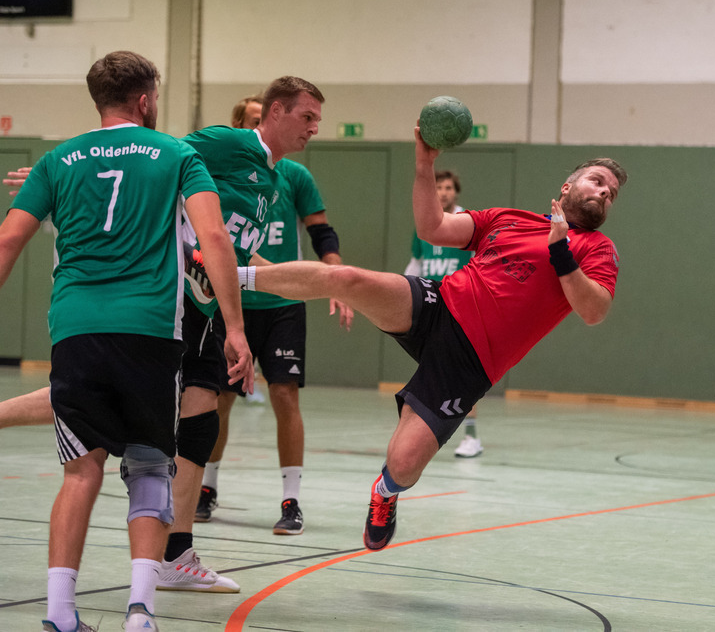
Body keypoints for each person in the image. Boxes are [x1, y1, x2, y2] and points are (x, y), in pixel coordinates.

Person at [233, 124, 626, 551]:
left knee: (402, 466)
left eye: (612, 192)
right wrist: (425, 163)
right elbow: (432, 228)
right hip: (438, 306)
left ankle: (384, 493)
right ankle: (231, 275)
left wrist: (560, 250)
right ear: (568, 186)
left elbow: (594, 310)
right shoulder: (507, 219)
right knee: (345, 277)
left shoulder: (596, 248)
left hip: (470, 362)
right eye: (598, 181)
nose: (605, 192)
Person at [0, 51, 252, 632]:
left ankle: (61, 614)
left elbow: (10, 240)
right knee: (148, 466)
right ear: (145, 100)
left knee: (79, 473)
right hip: (149, 330)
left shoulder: (58, 159)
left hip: (76, 327)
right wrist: (235, 327)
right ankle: (140, 611)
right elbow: (213, 235)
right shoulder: (177, 154)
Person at [159, 75, 336, 591]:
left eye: (317, 120)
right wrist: (79, 174)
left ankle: (176, 553)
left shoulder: (273, 177)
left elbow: (242, 259)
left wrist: (325, 282)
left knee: (199, 418)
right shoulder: (231, 142)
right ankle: (165, 554)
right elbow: (157, 156)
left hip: (206, 306)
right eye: (307, 117)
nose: (314, 128)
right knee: (120, 410)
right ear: (275, 113)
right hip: (170, 299)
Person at [196, 95, 353, 535]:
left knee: (285, 396)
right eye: (249, 120)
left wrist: (334, 278)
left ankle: (291, 499)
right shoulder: (225, 158)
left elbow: (322, 230)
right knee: (217, 399)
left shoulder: (292, 176)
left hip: (282, 301)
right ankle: (206, 488)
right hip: (234, 296)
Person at [402, 170, 481, 458]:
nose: (444, 192)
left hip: (462, 305)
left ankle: (471, 435)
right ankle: (423, 436)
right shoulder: (424, 221)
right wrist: (403, 288)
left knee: (463, 374)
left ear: (456, 192)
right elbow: (416, 262)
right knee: (433, 373)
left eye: (448, 187)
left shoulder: (467, 222)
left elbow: (478, 262)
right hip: (432, 303)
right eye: (439, 187)